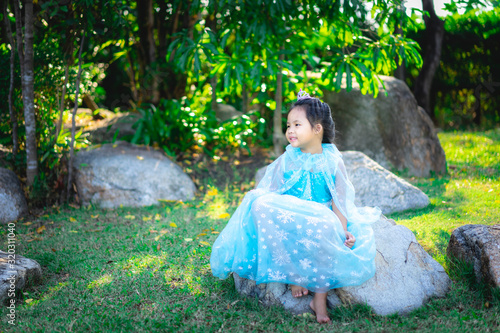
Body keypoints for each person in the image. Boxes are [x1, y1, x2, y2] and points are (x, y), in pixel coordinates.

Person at [210, 89, 382, 323]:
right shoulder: (289, 157)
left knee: (326, 228)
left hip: (321, 219)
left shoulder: (332, 161)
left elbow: (339, 202)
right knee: (258, 204)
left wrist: (342, 230)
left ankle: (319, 298)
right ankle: (294, 273)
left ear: (317, 128)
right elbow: (274, 193)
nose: (290, 130)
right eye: (288, 125)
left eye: (297, 125)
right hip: (291, 219)